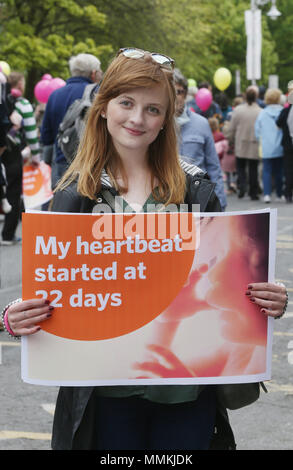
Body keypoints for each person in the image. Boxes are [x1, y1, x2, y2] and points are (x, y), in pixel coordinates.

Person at [1, 48, 288, 451]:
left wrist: (268, 296)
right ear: (103, 107)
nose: (137, 119)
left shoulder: (194, 188)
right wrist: (12, 317)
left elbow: (226, 275)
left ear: (166, 119)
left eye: (153, 109)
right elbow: (57, 288)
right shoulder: (75, 195)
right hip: (105, 395)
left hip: (185, 391)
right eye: (126, 103)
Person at [41, 53, 102, 189]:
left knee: (61, 205)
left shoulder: (55, 95)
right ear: (93, 73)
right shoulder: (98, 94)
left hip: (61, 160)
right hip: (90, 162)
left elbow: (46, 134)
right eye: (99, 71)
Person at [174, 69, 227, 210]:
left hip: (200, 198)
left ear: (185, 94)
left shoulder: (201, 124)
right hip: (171, 202)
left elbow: (213, 166)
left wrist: (220, 202)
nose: (174, 97)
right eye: (169, 92)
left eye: (178, 92)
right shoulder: (156, 126)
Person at [1, 72, 41, 245]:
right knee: (13, 192)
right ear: (20, 85)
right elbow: (32, 134)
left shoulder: (4, 101)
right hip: (12, 153)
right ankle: (8, 235)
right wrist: (36, 156)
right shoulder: (23, 104)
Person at [227, 86, 261, 200]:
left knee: (240, 167)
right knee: (253, 168)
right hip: (254, 143)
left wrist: (230, 139)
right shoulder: (260, 111)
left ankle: (242, 187)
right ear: (256, 97)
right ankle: (253, 192)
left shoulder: (238, 110)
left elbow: (231, 128)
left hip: (241, 143)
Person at [254, 88, 284, 203]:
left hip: (266, 146)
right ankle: (279, 193)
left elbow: (257, 130)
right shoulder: (282, 111)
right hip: (279, 146)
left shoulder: (263, 113)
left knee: (266, 171)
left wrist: (261, 140)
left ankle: (267, 194)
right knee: (279, 171)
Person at [276, 81, 293, 203]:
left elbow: (278, 122)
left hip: (288, 144)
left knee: (288, 169)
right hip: (288, 143)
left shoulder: (286, 110)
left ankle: (288, 193)